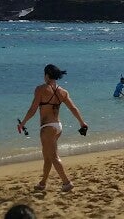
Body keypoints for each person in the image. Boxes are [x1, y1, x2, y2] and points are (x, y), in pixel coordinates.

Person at [18, 64, 88, 192]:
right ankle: (42, 183)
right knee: (47, 157)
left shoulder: (41, 89)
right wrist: (82, 123)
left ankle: (66, 182)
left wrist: (23, 123)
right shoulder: (63, 92)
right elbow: (73, 108)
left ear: (47, 75)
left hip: (47, 128)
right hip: (58, 126)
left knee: (53, 157)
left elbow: (33, 109)